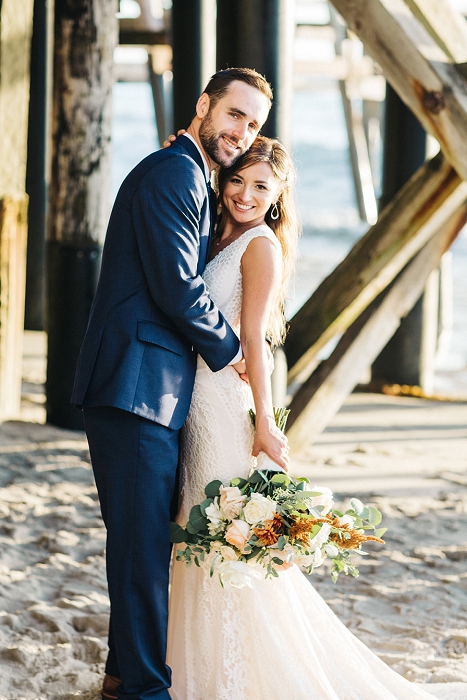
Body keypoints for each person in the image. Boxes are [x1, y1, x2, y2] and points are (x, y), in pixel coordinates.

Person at [166, 136, 442, 700]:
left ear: (279, 195)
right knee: (191, 533)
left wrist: (265, 424)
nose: (244, 193)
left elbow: (255, 341)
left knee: (224, 540)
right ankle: (187, 665)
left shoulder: (260, 246)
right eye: (238, 179)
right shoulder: (215, 229)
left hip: (224, 406)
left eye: (260, 187)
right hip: (189, 401)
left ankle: (234, 675)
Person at [71, 68, 289, 700]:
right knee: (141, 553)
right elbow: (175, 286)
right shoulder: (174, 173)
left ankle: (122, 678)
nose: (241, 131)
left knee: (141, 546)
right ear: (203, 106)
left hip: (151, 389)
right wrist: (234, 356)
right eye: (234, 115)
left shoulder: (187, 171)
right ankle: (143, 690)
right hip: (135, 385)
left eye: (252, 124)